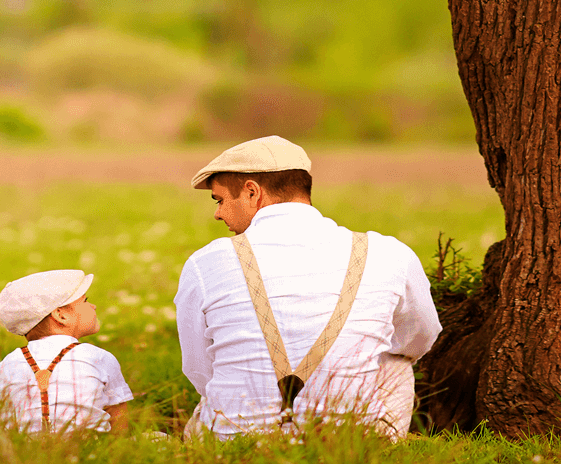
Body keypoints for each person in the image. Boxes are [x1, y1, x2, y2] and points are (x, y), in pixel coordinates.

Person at [174, 135, 439, 439]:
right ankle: (380, 443)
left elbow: (199, 369)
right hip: (349, 444)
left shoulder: (205, 262)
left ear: (252, 192)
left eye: (220, 200)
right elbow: (421, 337)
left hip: (235, 442)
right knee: (395, 359)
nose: (218, 213)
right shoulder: (389, 253)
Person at [0, 268, 134, 434]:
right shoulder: (98, 357)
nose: (93, 306)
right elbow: (118, 417)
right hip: (90, 445)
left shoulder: (9, 362)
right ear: (61, 315)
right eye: (85, 301)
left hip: (24, 447)